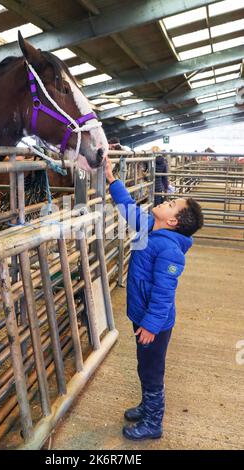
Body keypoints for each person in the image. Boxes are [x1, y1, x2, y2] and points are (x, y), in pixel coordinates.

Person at [105, 155, 204, 441]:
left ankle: (153, 421)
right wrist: (112, 179)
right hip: (143, 317)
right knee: (143, 366)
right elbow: (128, 209)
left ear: (172, 220)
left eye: (171, 204)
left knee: (152, 371)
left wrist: (150, 325)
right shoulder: (150, 226)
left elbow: (163, 294)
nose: (165, 200)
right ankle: (147, 406)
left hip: (155, 325)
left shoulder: (170, 250)